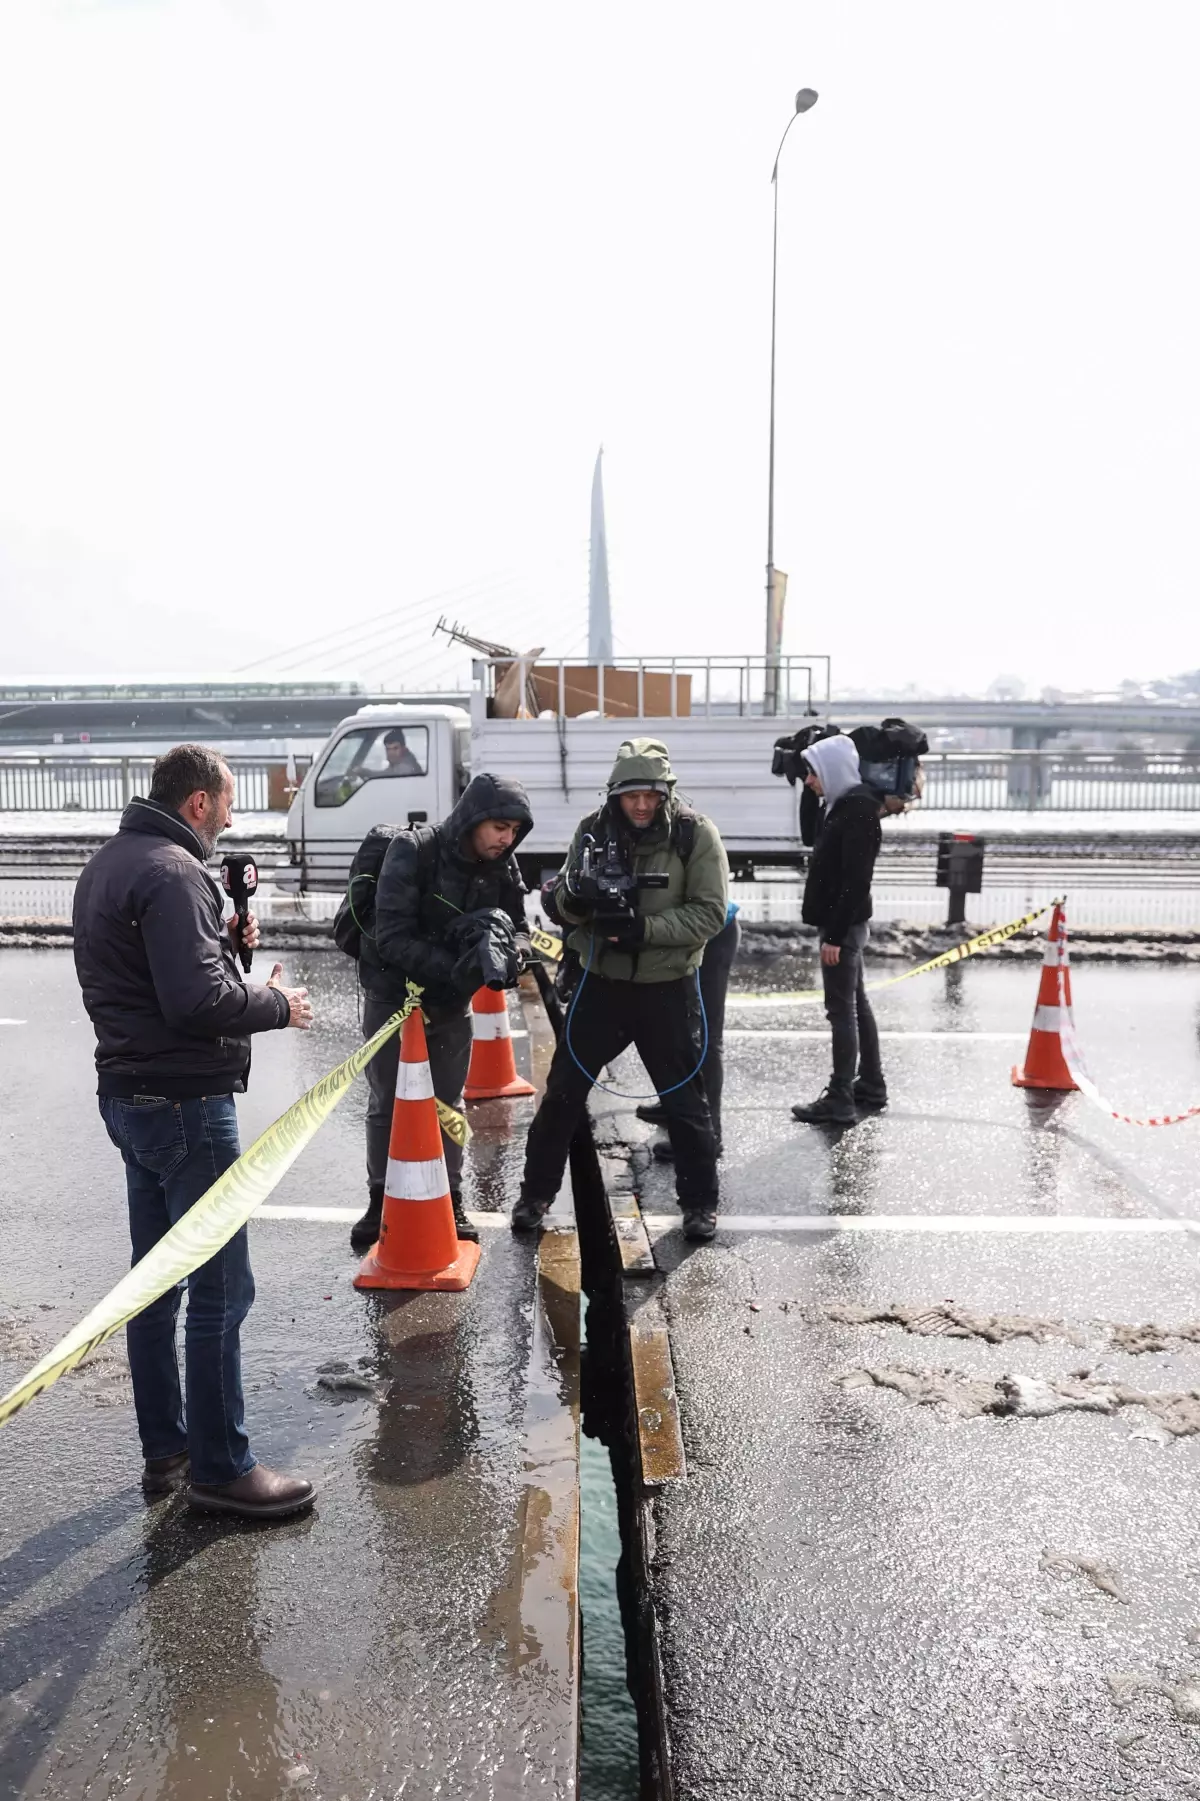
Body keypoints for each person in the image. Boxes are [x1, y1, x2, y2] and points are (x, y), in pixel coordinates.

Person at [71, 744, 316, 1521]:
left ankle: (167, 1450)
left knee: (154, 1283)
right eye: (231, 801)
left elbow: (172, 982)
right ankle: (221, 1467)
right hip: (186, 1100)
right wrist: (278, 1005)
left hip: (130, 1094)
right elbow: (194, 1002)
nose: (236, 817)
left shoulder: (108, 863)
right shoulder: (176, 873)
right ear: (200, 803)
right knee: (219, 1286)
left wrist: (234, 963)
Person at [513, 738, 728, 1243]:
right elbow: (561, 905)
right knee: (563, 1096)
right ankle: (534, 1196)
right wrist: (573, 899)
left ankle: (700, 1204)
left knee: (685, 1104)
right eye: (631, 795)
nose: (641, 805)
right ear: (615, 795)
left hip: (667, 987)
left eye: (651, 795)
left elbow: (710, 913)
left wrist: (644, 930)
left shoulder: (695, 835)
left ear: (665, 792)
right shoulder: (591, 830)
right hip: (601, 985)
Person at [352, 773, 534, 1250]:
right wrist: (459, 969)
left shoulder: (503, 864)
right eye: (498, 827)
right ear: (473, 818)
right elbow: (390, 936)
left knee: (449, 1105)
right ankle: (379, 1201)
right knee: (388, 1104)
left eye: (513, 830)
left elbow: (519, 928)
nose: (506, 838)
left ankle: (450, 1197)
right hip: (393, 997)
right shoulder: (415, 851)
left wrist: (509, 957)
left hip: (452, 1005)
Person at [790, 733, 886, 1126]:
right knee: (856, 1005)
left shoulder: (858, 811)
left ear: (831, 770)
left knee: (841, 1011)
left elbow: (856, 880)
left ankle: (841, 1096)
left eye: (812, 774)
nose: (810, 781)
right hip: (840, 922)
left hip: (841, 925)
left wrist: (834, 935)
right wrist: (810, 794)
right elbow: (810, 838)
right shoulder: (841, 805)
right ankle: (871, 1084)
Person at [637, 899, 741, 1157]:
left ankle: (709, 1134)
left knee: (705, 1036)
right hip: (681, 935)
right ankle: (674, 1103)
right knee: (672, 1028)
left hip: (711, 934)